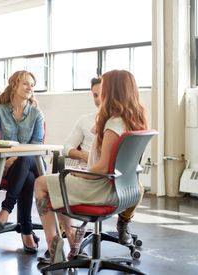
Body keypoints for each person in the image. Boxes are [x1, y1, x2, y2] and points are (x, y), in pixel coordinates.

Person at [34, 70, 148, 264]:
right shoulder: (134, 121)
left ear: (111, 90)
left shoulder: (113, 124)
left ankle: (54, 245)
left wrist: (83, 173)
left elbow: (103, 168)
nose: (100, 92)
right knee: (58, 185)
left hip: (101, 189)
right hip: (124, 189)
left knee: (41, 183)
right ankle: (71, 240)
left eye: (103, 88)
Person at [0, 70, 45, 254]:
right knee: (27, 178)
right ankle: (27, 231)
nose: (30, 87)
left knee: (27, 161)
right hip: (10, 167)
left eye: (32, 84)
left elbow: (37, 146)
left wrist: (15, 156)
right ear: (14, 85)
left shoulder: (36, 114)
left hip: (34, 162)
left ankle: (6, 209)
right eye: (26, 83)